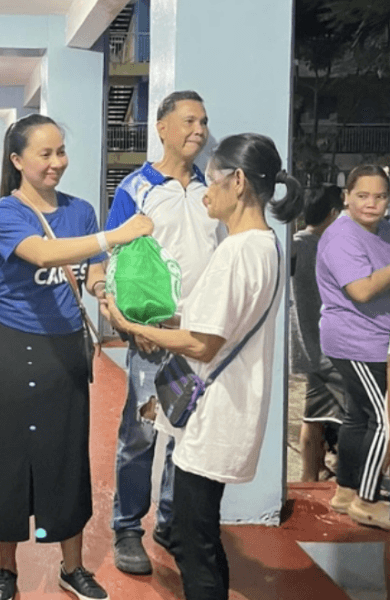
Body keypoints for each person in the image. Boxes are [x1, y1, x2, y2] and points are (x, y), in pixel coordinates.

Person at [102, 133, 304, 600]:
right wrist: (154, 317)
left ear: (237, 182)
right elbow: (209, 320)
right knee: (200, 532)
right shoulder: (263, 244)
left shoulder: (237, 252)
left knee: (197, 543)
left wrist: (132, 327)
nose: (205, 192)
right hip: (226, 405)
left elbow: (201, 342)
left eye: (211, 182)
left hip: (215, 414)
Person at [0, 114, 153, 600]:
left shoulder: (80, 211)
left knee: (67, 454)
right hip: (14, 342)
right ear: (17, 161)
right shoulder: (5, 213)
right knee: (7, 455)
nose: (58, 162)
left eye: (61, 152)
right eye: (45, 154)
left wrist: (101, 289)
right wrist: (115, 236)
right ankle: (6, 569)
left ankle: (71, 566)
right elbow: (42, 255)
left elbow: (91, 267)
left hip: (65, 344)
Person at [104, 90, 225, 575]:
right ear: (162, 127)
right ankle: (127, 527)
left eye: (204, 122)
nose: (199, 130)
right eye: (189, 121)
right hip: (153, 338)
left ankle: (170, 523)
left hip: (199, 336)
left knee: (187, 435)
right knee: (141, 435)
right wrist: (132, 323)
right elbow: (115, 262)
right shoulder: (136, 187)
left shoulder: (211, 190)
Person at [317, 165, 390, 529]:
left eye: (379, 197)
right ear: (346, 196)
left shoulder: (381, 231)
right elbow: (361, 290)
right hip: (355, 340)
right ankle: (367, 500)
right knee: (383, 421)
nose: (371, 204)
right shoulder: (342, 236)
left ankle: (346, 491)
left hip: (371, 338)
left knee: (358, 417)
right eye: (362, 195)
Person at [289, 184, 345, 482]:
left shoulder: (295, 245)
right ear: (334, 214)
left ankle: (310, 475)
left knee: (314, 415)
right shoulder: (328, 248)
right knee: (365, 418)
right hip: (336, 348)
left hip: (309, 348)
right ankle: (357, 481)